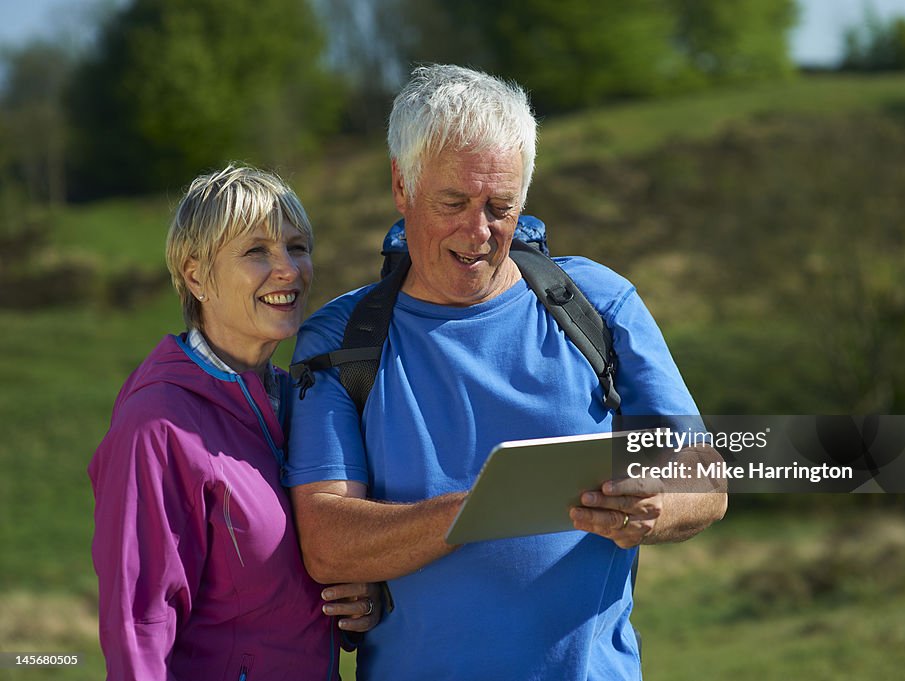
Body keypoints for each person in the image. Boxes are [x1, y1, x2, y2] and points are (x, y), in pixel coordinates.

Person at [285, 65, 727, 680]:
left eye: (501, 206)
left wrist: (659, 505)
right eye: (454, 203)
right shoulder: (341, 340)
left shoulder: (597, 303)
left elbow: (705, 477)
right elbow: (329, 540)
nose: (480, 231)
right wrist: (492, 504)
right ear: (401, 184)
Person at [89, 165, 381, 680]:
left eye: (297, 247)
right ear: (197, 274)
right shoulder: (157, 426)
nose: (289, 269)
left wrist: (357, 604)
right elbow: (139, 628)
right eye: (256, 252)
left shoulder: (300, 399)